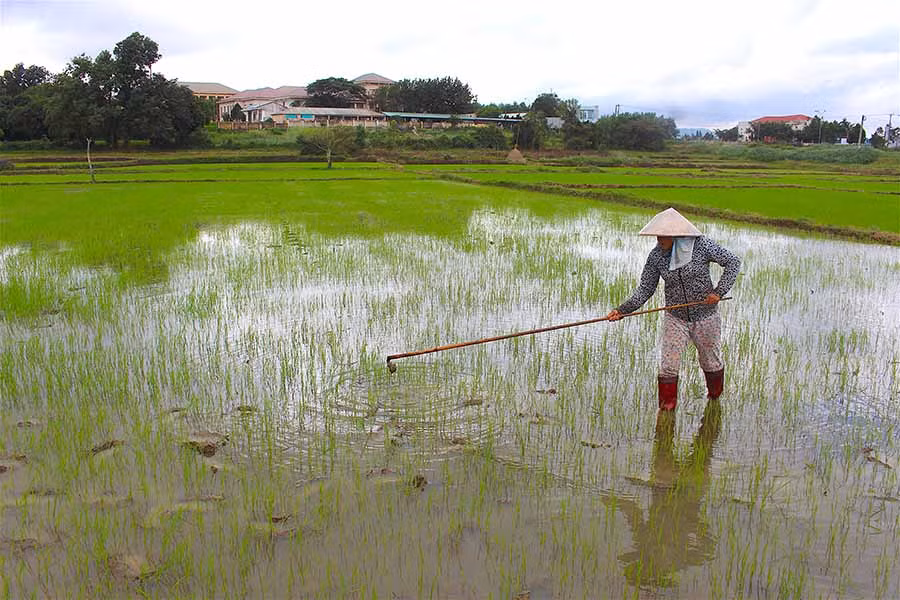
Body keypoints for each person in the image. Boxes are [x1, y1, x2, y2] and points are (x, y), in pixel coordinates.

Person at [606, 208, 741, 411]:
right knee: (668, 365)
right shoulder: (657, 256)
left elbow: (733, 261)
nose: (659, 240)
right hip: (675, 317)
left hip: (705, 315)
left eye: (664, 235)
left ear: (677, 235)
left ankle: (714, 401)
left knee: (710, 361)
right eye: (658, 235)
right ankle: (666, 410)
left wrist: (719, 292)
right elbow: (645, 288)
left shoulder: (701, 246)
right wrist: (623, 310)